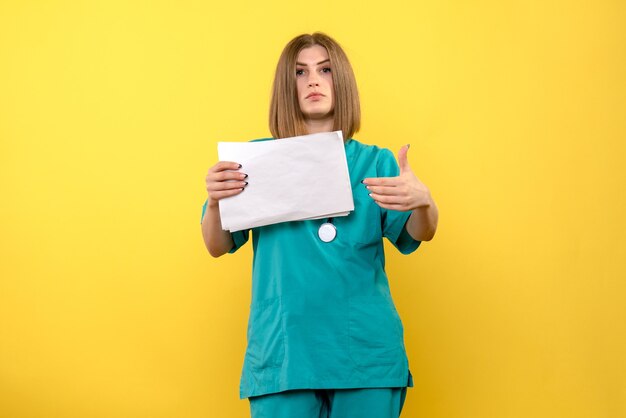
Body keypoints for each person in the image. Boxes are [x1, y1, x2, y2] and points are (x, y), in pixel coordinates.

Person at [201, 32, 438, 418]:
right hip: (284, 357)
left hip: (366, 356)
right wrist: (215, 201)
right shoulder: (254, 162)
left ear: (340, 81)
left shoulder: (374, 161)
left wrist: (425, 202)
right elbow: (216, 244)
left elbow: (418, 233)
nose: (313, 80)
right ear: (285, 87)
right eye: (300, 72)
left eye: (325, 70)